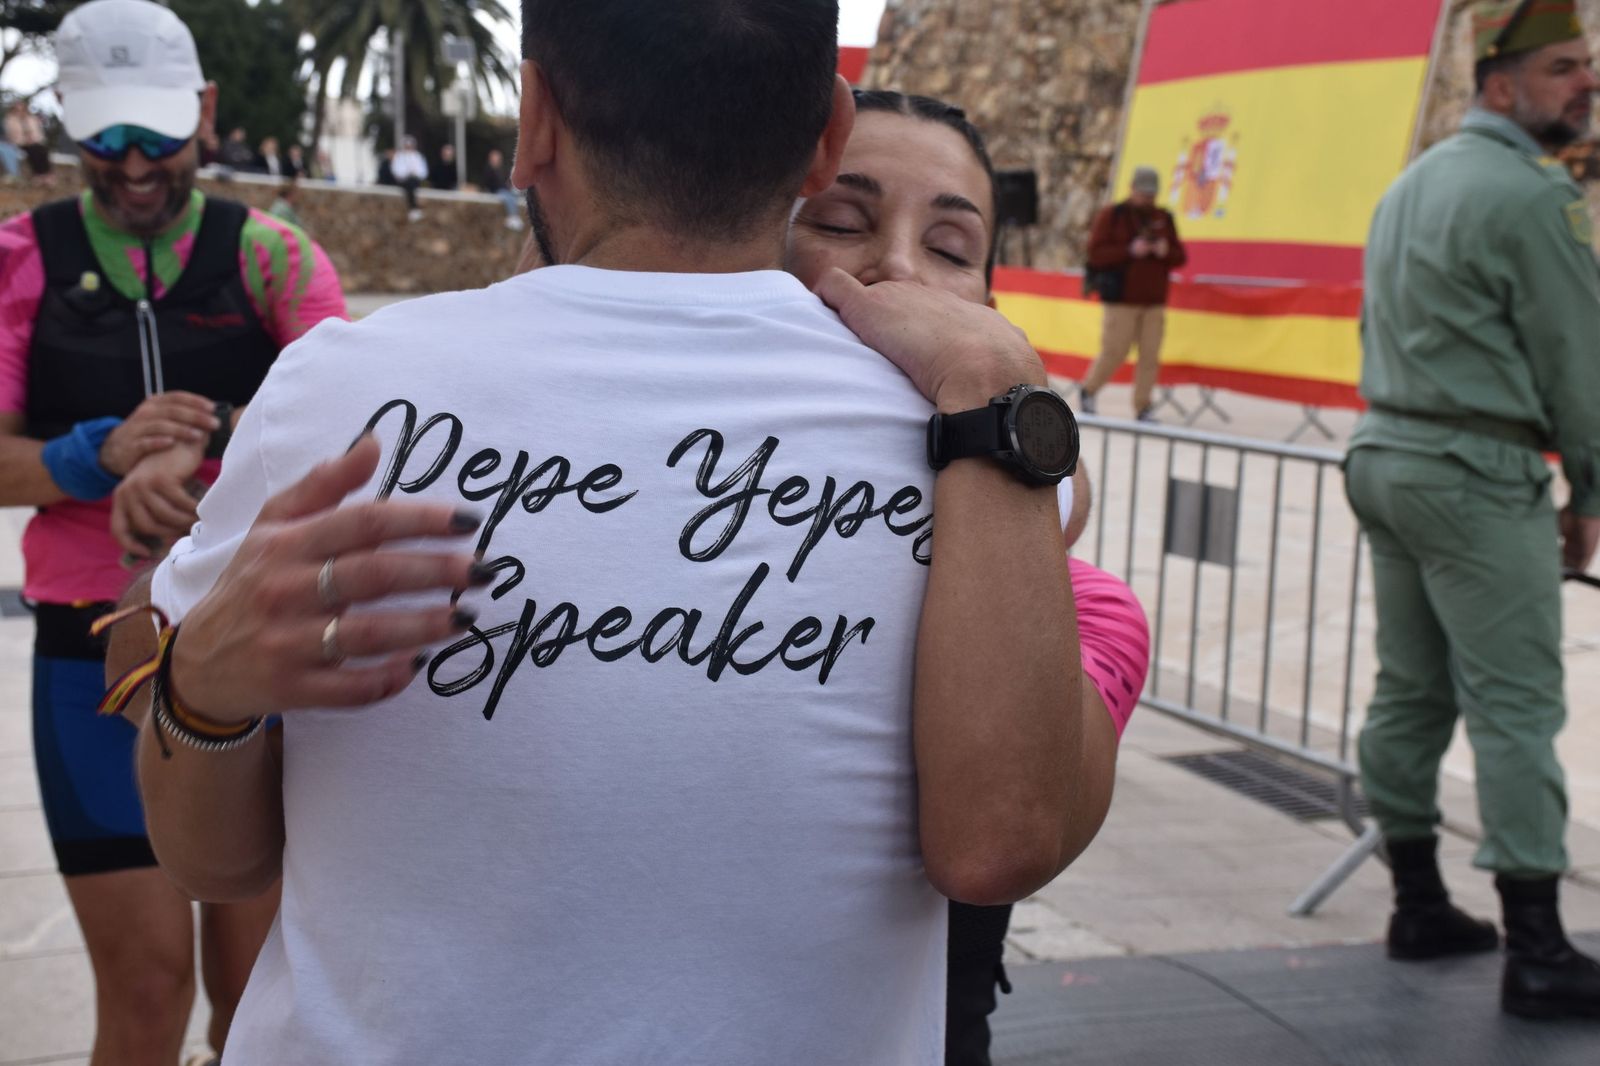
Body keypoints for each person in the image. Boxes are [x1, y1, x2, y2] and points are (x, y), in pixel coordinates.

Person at [113, 1, 1096, 1060]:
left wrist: (200, 693)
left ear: (534, 119)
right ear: (827, 138)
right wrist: (1006, 404)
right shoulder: (972, 439)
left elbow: (213, 864)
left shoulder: (339, 392)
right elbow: (1004, 840)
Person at [0, 2, 348, 1062]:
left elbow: (362, 427)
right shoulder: (20, 261)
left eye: (154, 131)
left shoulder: (274, 259)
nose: (135, 162)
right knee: (147, 994)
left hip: (249, 645)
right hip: (86, 653)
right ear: (66, 117)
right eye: (104, 135)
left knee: (254, 1004)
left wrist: (211, 444)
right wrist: (90, 457)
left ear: (204, 110)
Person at [785, 87, 1151, 1065]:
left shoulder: (1089, 609)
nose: (898, 266)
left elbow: (1003, 846)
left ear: (988, 303)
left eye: (950, 247)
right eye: (839, 222)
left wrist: (1003, 411)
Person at [1346, 0, 1600, 1021]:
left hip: (1388, 452)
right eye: (1563, 67)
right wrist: (1589, 492)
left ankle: (1417, 904)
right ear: (1500, 83)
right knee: (1516, 704)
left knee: (1411, 688)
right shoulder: (1533, 197)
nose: (1587, 82)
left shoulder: (1412, 182)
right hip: (1475, 470)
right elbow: (1578, 363)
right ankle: (1536, 948)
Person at [1078, 165, 1186, 421]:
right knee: (1114, 351)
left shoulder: (1164, 218)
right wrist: (1129, 250)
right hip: (1121, 300)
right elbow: (1095, 254)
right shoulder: (1112, 215)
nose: (1147, 199)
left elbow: (1180, 256)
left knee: (1150, 356)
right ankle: (1089, 390)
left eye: (1151, 194)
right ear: (1132, 189)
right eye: (1143, 193)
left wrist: (1165, 251)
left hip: (1154, 301)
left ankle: (1143, 406)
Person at [5, 100, 53, 185]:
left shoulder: (32, 119)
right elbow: (12, 135)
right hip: (19, 143)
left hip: (35, 142)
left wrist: (34, 139)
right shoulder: (10, 120)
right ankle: (38, 174)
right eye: (17, 110)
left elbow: (38, 133)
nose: (20, 112)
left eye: (22, 110)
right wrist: (25, 140)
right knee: (33, 150)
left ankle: (46, 174)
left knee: (41, 150)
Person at [482, 146, 523, 229]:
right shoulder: (488, 170)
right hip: (496, 191)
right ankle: (513, 216)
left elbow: (506, 181)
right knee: (507, 197)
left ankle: (514, 217)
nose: (496, 159)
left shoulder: (502, 170)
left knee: (512, 196)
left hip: (504, 190)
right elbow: (488, 183)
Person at [391, 134, 428, 219]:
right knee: (410, 184)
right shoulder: (399, 156)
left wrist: (415, 173)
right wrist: (406, 173)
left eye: (410, 146)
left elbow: (423, 172)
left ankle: (413, 209)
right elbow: (396, 170)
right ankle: (414, 208)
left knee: (412, 184)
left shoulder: (418, 156)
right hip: (403, 180)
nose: (408, 148)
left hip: (415, 180)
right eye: (407, 146)